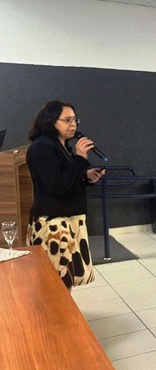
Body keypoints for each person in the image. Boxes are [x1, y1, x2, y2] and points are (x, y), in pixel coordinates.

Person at [26, 100, 105, 289]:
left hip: (70, 220)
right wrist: (78, 159)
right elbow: (57, 185)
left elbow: (69, 180)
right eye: (67, 120)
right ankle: (55, 318)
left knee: (66, 279)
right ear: (51, 121)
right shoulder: (42, 146)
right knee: (55, 282)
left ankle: (62, 318)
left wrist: (87, 177)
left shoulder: (64, 147)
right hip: (53, 223)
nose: (73, 124)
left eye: (75, 120)